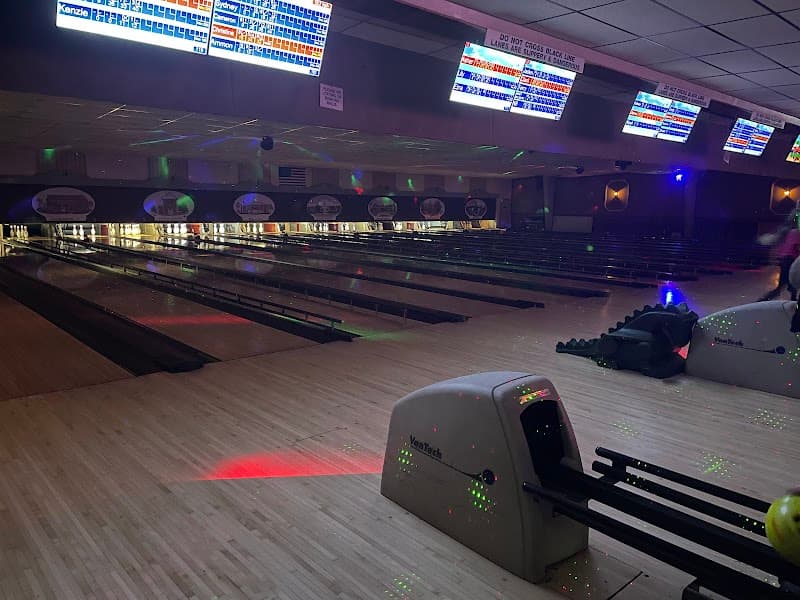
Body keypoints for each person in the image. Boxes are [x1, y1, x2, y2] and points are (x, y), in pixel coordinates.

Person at [759, 209, 800, 302]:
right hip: (790, 260)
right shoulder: (795, 233)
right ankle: (764, 300)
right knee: (789, 285)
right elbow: (796, 247)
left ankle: (791, 301)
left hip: (786, 259)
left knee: (788, 285)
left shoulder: (790, 232)